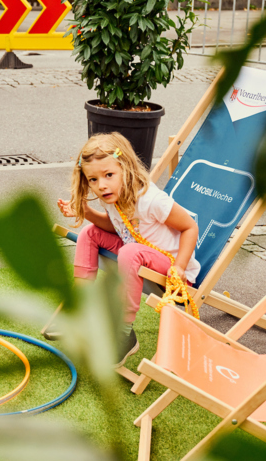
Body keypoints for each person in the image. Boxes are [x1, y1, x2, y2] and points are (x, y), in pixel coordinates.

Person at [58, 133, 199, 367]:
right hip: (135, 253)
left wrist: (181, 267)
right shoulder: (111, 195)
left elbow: (190, 227)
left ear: (126, 168)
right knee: (89, 232)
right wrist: (88, 213)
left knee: (130, 251)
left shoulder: (151, 200)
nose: (101, 185)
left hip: (171, 269)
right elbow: (116, 227)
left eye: (109, 175)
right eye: (92, 180)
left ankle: (124, 333)